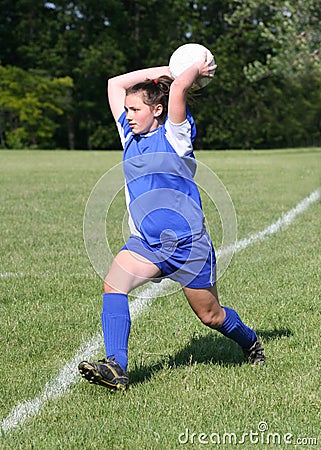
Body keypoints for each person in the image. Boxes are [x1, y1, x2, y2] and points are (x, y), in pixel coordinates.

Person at [78, 53, 265, 391]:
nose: (128, 115)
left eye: (136, 110)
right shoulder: (129, 137)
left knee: (211, 316)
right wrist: (164, 70)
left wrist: (190, 70)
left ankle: (250, 341)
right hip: (146, 245)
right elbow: (114, 84)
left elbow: (178, 88)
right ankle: (117, 366)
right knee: (113, 284)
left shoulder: (177, 137)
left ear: (158, 110)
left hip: (188, 246)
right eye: (129, 110)